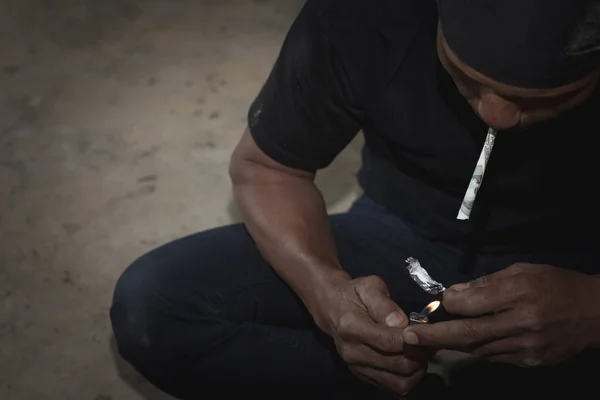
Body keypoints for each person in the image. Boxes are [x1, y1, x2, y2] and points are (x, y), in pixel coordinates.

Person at [110, 0, 600, 398]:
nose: (496, 115)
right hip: (406, 236)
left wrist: (590, 307)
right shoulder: (367, 15)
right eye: (468, 79)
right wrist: (329, 295)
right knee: (156, 306)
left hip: (581, 257)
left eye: (542, 98)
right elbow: (267, 170)